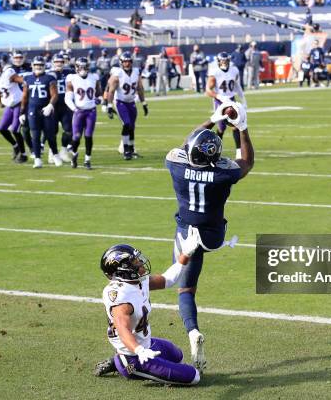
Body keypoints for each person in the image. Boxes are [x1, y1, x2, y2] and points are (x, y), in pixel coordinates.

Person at [165, 101, 254, 371]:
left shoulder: (175, 165)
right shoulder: (222, 174)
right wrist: (243, 127)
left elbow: (186, 143)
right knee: (191, 280)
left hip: (187, 233)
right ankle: (193, 333)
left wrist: (212, 120)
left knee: (186, 290)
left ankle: (193, 331)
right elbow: (247, 161)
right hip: (213, 236)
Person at [92, 234, 202, 384]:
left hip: (146, 343)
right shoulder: (120, 296)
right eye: (134, 262)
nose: (139, 263)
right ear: (122, 271)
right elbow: (122, 328)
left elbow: (168, 280)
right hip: (133, 358)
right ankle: (122, 365)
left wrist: (186, 254)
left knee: (177, 356)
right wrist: (139, 350)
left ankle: (121, 361)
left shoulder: (137, 281)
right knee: (193, 376)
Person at [19, 56, 62, 168]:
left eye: (40, 65)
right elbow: (24, 97)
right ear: (32, 66)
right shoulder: (28, 78)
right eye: (36, 65)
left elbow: (55, 95)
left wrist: (50, 105)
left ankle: (55, 155)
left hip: (46, 109)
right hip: (32, 109)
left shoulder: (49, 78)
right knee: (35, 135)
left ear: (44, 66)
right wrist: (22, 112)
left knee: (50, 134)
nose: (38, 67)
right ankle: (37, 159)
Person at [104, 51, 148, 160]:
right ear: (121, 63)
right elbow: (111, 91)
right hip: (121, 102)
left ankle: (132, 149)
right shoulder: (117, 74)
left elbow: (140, 89)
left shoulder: (136, 72)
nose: (127, 64)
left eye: (128, 61)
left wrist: (144, 103)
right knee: (126, 124)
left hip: (131, 102)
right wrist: (109, 105)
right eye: (124, 62)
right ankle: (125, 149)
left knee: (132, 126)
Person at [205, 52, 247, 159]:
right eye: (222, 61)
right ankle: (216, 151)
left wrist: (243, 99)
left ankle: (238, 153)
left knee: (235, 125)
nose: (224, 63)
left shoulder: (234, 70)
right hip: (219, 102)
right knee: (221, 128)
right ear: (218, 61)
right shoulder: (215, 73)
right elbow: (208, 91)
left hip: (231, 99)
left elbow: (237, 85)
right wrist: (220, 97)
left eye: (226, 60)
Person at [0, 58, 29, 163]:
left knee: (15, 130)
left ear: (0, 67)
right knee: (1, 128)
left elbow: (23, 82)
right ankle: (16, 146)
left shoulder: (8, 73)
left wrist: (26, 91)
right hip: (9, 106)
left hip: (19, 104)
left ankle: (23, 154)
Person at [64, 57, 100, 169]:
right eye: (80, 67)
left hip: (91, 111)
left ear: (88, 67)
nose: (83, 69)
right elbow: (67, 98)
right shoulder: (72, 79)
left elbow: (99, 94)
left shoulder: (94, 77)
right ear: (76, 68)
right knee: (76, 137)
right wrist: (74, 109)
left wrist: (100, 100)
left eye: (85, 67)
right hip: (79, 111)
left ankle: (87, 160)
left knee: (88, 136)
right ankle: (74, 154)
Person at [49, 53, 74, 163]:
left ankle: (63, 151)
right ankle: (52, 152)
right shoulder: (48, 74)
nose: (59, 64)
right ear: (53, 63)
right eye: (57, 62)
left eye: (61, 62)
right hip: (53, 106)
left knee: (69, 130)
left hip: (66, 105)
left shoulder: (70, 73)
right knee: (52, 131)